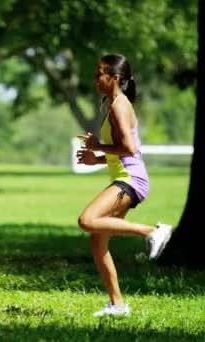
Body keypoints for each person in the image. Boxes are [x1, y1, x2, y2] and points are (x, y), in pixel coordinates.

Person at [76, 54, 173, 317]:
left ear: (115, 77)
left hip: (131, 179)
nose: (95, 79)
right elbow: (120, 151)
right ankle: (118, 305)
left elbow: (129, 149)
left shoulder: (120, 106)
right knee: (98, 243)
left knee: (87, 220)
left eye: (99, 74)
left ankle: (153, 231)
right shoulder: (111, 103)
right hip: (123, 176)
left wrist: (98, 146)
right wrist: (94, 157)